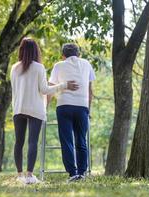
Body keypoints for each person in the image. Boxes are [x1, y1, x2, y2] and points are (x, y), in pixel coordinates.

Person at [10, 38, 78, 184]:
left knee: (19, 142)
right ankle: (29, 175)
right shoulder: (39, 67)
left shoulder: (14, 67)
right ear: (36, 51)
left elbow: (14, 90)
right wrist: (64, 85)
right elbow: (44, 90)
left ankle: (19, 175)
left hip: (18, 107)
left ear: (21, 50)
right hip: (35, 107)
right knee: (33, 141)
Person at [48, 43, 95, 182]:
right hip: (82, 106)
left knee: (67, 140)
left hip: (64, 106)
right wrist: (88, 109)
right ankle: (82, 173)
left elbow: (51, 88)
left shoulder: (58, 65)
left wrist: (45, 107)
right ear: (78, 54)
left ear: (63, 56)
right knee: (81, 140)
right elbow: (90, 90)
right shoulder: (86, 64)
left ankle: (72, 173)